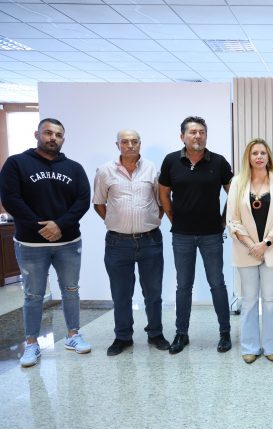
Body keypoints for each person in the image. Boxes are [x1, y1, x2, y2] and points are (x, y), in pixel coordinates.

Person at [0, 118, 91, 367]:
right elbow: (11, 199)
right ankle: (31, 344)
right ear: (37, 134)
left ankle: (73, 335)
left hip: (68, 242)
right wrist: (41, 226)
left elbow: (82, 201)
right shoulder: (16, 163)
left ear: (63, 139)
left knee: (71, 290)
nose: (53, 138)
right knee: (33, 294)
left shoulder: (74, 168)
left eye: (58, 135)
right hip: (30, 244)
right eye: (48, 133)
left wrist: (59, 225)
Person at [159, 116, 232, 354]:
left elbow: (234, 194)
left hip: (212, 234)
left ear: (206, 135)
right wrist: (174, 218)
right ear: (182, 136)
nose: (197, 136)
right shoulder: (171, 161)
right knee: (183, 286)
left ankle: (225, 332)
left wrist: (223, 221)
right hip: (182, 235)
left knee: (217, 284)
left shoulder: (218, 162)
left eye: (201, 132)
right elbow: (163, 194)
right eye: (192, 132)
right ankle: (181, 333)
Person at [93, 129, 170, 356]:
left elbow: (162, 201)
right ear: (117, 145)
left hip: (150, 241)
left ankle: (155, 333)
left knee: (153, 293)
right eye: (125, 142)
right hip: (118, 243)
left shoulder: (152, 169)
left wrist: (153, 220)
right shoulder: (105, 171)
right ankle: (123, 336)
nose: (130, 145)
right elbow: (99, 203)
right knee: (121, 294)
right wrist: (115, 222)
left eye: (134, 141)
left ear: (140, 144)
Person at [226, 139, 273, 364]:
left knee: (270, 300)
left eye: (263, 153)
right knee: (249, 300)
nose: (259, 157)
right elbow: (232, 220)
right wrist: (251, 245)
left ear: (268, 156)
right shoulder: (237, 182)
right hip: (246, 250)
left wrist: (265, 244)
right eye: (255, 153)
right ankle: (250, 346)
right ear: (249, 157)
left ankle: (272, 345)